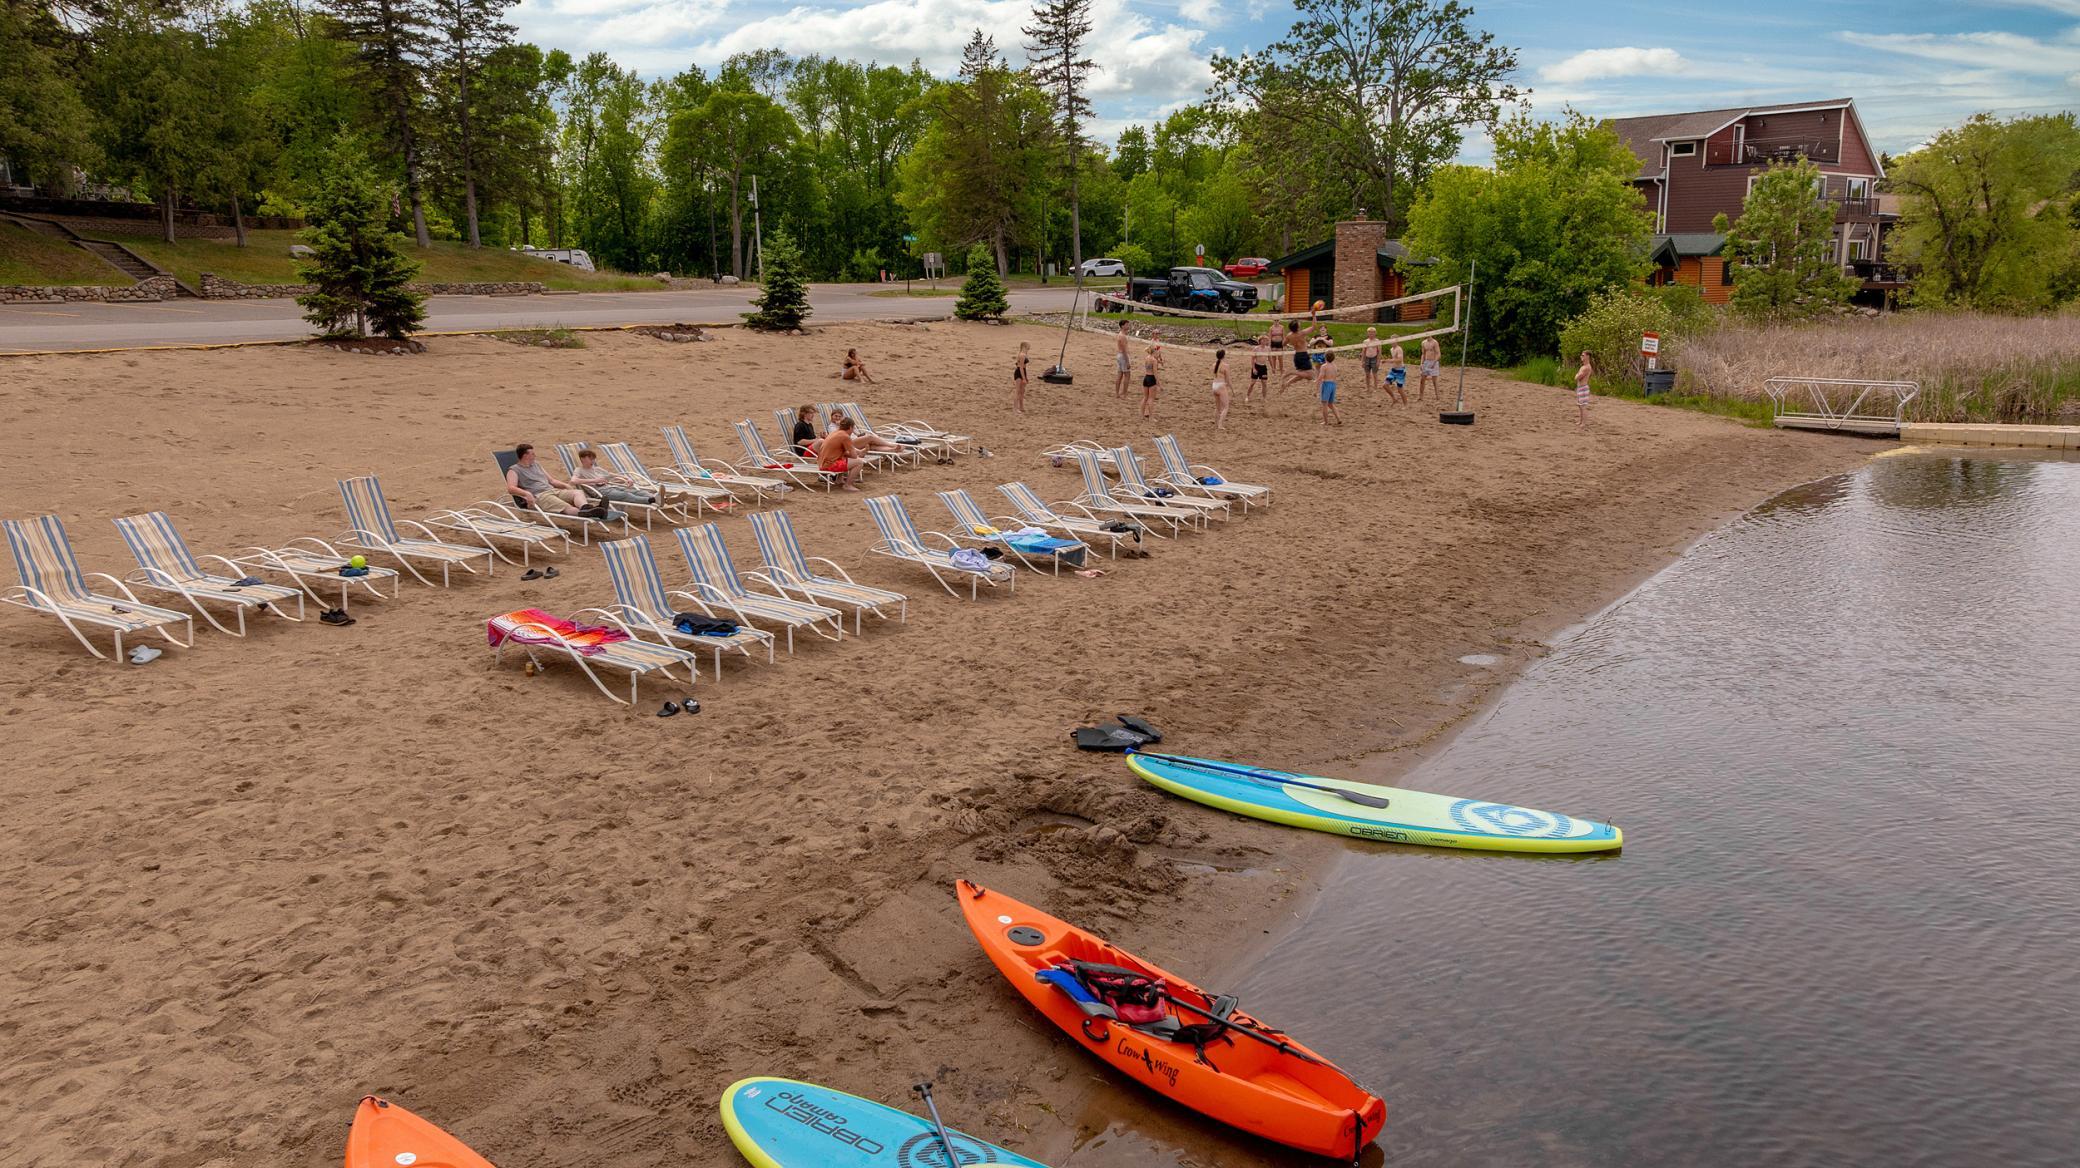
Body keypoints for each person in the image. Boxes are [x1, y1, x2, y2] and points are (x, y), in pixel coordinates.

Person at [506, 443, 598, 516]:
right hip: (540, 496)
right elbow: (511, 488)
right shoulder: (514, 470)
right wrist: (527, 494)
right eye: (532, 454)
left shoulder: (536, 465)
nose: (535, 455)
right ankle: (589, 514)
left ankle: (586, 508)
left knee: (577, 492)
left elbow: (552, 481)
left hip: (553, 491)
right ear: (525, 456)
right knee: (566, 507)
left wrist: (565, 485)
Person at [571, 448, 658, 506]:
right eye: (590, 459)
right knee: (625, 495)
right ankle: (651, 500)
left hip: (610, 487)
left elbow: (612, 475)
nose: (593, 461)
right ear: (582, 459)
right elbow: (573, 481)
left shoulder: (597, 469)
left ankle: (656, 497)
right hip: (600, 492)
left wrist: (627, 478)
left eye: (593, 459)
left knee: (634, 491)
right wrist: (594, 480)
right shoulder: (579, 470)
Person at [820, 415, 865, 491]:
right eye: (853, 428)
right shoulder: (845, 436)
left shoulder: (836, 433)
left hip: (823, 462)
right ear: (850, 427)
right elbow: (854, 456)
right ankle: (848, 485)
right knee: (859, 462)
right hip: (828, 465)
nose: (853, 431)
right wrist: (857, 453)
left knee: (844, 457)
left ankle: (839, 480)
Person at [1281, 322, 1323, 390]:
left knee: (1301, 375)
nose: (1300, 325)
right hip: (1303, 355)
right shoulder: (1301, 333)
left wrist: (1292, 344)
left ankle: (1287, 383)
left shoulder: (1289, 335)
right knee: (1310, 376)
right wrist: (1314, 316)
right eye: (1299, 324)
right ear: (1297, 327)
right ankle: (1291, 372)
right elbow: (1314, 327)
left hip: (1297, 356)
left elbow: (1283, 344)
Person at [1315, 349, 1342, 426]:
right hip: (1333, 384)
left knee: (1324, 404)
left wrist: (1316, 388)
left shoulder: (1324, 366)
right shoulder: (1334, 366)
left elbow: (1320, 377)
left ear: (1325, 357)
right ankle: (1338, 418)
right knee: (1331, 404)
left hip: (1326, 384)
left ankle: (1326, 422)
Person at [1246, 333, 1271, 409]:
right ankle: (1247, 396)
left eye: (1266, 340)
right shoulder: (1256, 348)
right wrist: (1254, 368)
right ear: (1260, 341)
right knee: (1252, 383)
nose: (1264, 341)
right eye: (1263, 340)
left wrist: (1273, 367)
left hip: (1263, 367)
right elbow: (1252, 359)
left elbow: (1270, 358)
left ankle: (1264, 398)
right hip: (1257, 366)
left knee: (1264, 383)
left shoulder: (1268, 349)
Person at [1140, 339, 1163, 420]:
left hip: (1146, 378)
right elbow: (1155, 373)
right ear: (1154, 351)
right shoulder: (1154, 360)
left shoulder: (1147, 358)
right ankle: (1151, 417)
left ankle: (1142, 415)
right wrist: (1159, 384)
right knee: (1151, 399)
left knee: (1145, 398)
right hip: (1152, 378)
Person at [1209, 349, 1232, 430]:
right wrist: (1232, 389)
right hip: (1221, 385)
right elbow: (1228, 380)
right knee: (1226, 407)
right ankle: (1220, 425)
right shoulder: (1226, 366)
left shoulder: (1214, 365)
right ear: (1223, 356)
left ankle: (1216, 423)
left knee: (1218, 407)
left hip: (1214, 385)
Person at [1417, 336, 1442, 401]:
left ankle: (1438, 396)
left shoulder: (1435, 342)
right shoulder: (1423, 342)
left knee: (1434, 381)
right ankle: (1421, 397)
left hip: (1433, 361)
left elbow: (1438, 354)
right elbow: (1423, 354)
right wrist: (1421, 363)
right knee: (1422, 380)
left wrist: (1434, 362)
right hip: (1426, 362)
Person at [1574, 350, 1594, 429]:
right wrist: (1577, 375)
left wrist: (1577, 375)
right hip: (1580, 387)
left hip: (1583, 388)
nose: (1581, 357)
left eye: (1583, 355)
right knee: (1580, 405)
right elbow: (1578, 376)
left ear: (1587, 356)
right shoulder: (1583, 367)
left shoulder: (1586, 367)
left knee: (1583, 406)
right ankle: (1581, 421)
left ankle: (1584, 423)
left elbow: (1577, 377)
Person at [1360, 328, 1381, 395]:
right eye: (1369, 332)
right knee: (1367, 374)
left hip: (1374, 358)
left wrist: (1378, 361)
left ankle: (1375, 388)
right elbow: (1363, 351)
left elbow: (1379, 352)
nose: (1371, 334)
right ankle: (1368, 388)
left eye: (1372, 332)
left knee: (1375, 374)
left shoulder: (1377, 341)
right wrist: (1362, 361)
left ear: (1375, 333)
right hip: (1367, 358)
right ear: (1367, 333)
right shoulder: (1365, 341)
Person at [1013, 342, 1030, 414]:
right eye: (1028, 345)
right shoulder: (1022, 355)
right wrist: (1024, 378)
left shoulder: (1023, 354)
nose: (1029, 347)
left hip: (1023, 372)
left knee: (1022, 391)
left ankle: (1021, 407)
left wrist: (1026, 377)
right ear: (1025, 346)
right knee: (1017, 391)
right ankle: (1015, 409)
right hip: (1019, 373)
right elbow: (1021, 368)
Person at [1113, 329, 1131, 399]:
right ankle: (1124, 394)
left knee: (1119, 375)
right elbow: (1124, 350)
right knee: (1127, 375)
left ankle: (1117, 393)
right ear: (1123, 326)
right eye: (1127, 324)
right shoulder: (1123, 336)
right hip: (1123, 356)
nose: (1128, 326)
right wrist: (1127, 361)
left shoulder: (1120, 334)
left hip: (1119, 355)